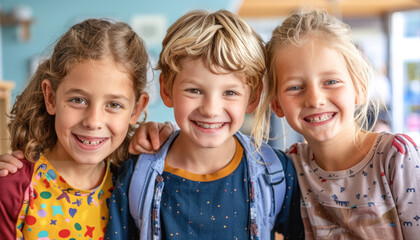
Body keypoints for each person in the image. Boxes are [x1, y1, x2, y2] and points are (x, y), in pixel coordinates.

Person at [105, 9, 303, 240]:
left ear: (253, 98)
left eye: (229, 92)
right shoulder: (136, 174)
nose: (210, 109)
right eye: (194, 90)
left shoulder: (276, 174)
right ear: (166, 89)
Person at [255, 9, 420, 239]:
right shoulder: (289, 168)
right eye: (295, 87)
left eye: (331, 81)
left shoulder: (396, 157)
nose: (314, 99)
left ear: (359, 88)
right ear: (277, 104)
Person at [0, 18, 150, 239]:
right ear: (50, 97)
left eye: (114, 105)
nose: (93, 121)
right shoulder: (14, 187)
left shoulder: (136, 186)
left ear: (136, 109)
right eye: (78, 100)